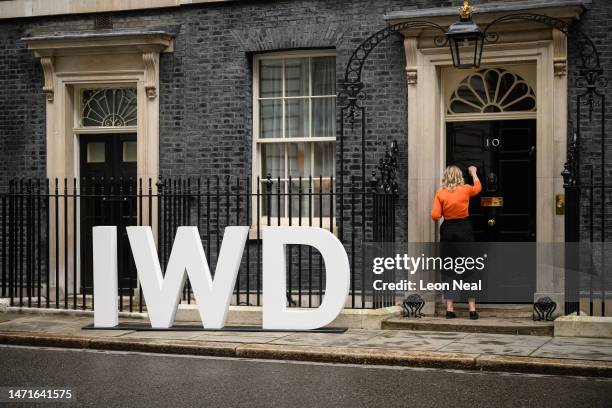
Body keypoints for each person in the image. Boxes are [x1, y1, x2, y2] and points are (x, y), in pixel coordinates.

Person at [431, 165, 481, 320]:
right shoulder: (466, 189)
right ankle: (472, 310)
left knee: (449, 270)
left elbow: (435, 215)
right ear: (460, 176)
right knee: (469, 268)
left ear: (446, 177)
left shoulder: (441, 192)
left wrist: (445, 210)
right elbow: (478, 188)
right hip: (464, 229)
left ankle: (450, 309)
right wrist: (473, 173)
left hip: (448, 231)